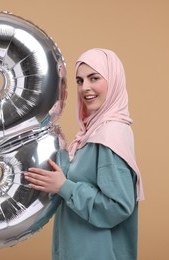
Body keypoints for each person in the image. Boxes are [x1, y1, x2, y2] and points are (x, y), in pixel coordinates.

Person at [24, 48, 145, 260]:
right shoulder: (91, 134)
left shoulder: (110, 134)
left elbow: (117, 207)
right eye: (80, 81)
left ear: (114, 81)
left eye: (94, 78)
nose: (85, 88)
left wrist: (64, 186)